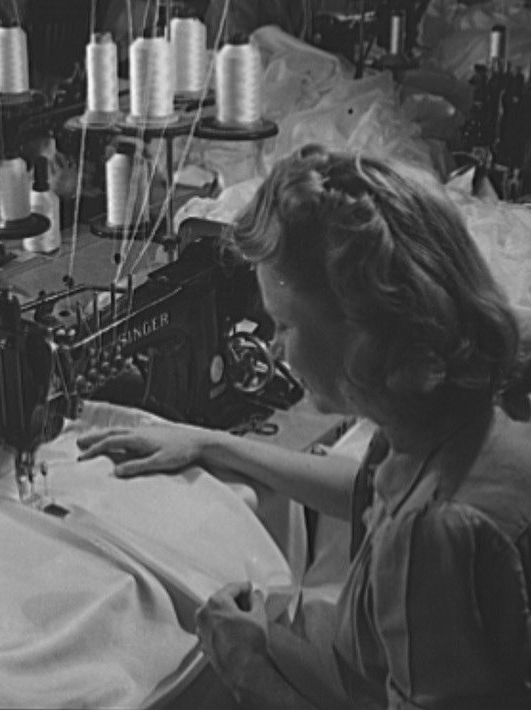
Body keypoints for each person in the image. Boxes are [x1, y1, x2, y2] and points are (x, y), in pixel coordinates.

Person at [77, 144, 531, 708]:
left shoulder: (431, 541)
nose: (273, 346)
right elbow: (368, 490)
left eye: (285, 325)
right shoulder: (450, 423)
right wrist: (213, 443)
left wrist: (248, 671)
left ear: (362, 335)